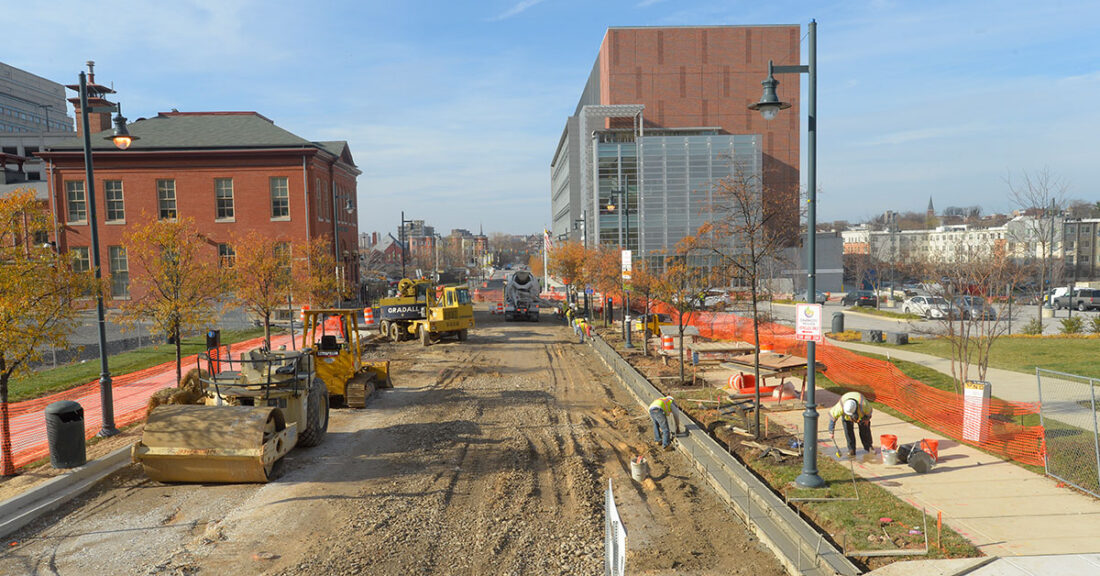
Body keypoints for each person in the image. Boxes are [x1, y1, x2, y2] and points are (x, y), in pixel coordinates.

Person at [828, 391, 874, 457]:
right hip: (846, 416)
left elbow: (869, 412)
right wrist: (831, 431)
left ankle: (869, 447)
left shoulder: (864, 404)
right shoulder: (840, 407)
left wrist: (867, 419)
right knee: (848, 431)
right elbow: (832, 417)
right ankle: (851, 449)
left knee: (865, 429)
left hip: (862, 415)